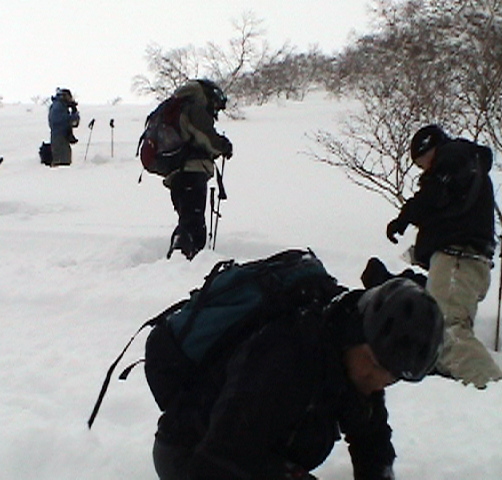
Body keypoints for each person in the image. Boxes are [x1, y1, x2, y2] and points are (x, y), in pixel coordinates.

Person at [152, 276, 444, 480]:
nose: (377, 381)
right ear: (357, 332)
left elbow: (371, 438)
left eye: (391, 378)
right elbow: (216, 461)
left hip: (257, 454)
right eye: (373, 364)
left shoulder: (352, 355)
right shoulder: (286, 354)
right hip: (190, 450)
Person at [386, 124, 502, 388]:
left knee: (447, 330)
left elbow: (433, 195)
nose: (425, 170)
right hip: (464, 262)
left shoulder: (454, 155)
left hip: (458, 260)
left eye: (422, 163)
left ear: (430, 148)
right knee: (445, 330)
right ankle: (468, 390)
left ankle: (491, 388)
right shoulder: (465, 165)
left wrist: (406, 217)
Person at [165, 79, 233, 260]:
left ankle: (182, 258)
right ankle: (184, 260)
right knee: (193, 224)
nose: (215, 111)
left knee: (188, 220)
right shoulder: (195, 107)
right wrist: (223, 146)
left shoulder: (180, 107)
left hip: (176, 175)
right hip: (192, 173)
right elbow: (206, 137)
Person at [48, 88, 80, 166]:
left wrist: (74, 111)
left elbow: (74, 123)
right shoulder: (58, 107)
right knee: (62, 163)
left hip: (61, 138)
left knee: (64, 161)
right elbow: (64, 120)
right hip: (59, 138)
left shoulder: (60, 106)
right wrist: (74, 115)